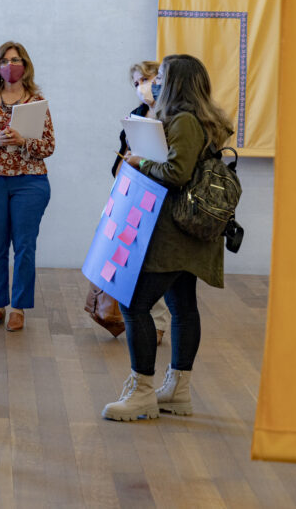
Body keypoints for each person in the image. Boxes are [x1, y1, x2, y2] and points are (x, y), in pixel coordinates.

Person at [102, 54, 231, 422]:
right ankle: (177, 390)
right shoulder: (185, 118)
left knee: (134, 303)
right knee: (181, 306)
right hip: (186, 232)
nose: (155, 81)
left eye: (162, 76)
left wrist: (139, 161)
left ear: (177, 83)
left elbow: (176, 172)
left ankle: (142, 390)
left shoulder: (185, 121)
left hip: (177, 234)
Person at [0, 41, 55, 332]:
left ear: (25, 65)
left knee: (25, 246)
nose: (10, 65)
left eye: (15, 60)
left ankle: (18, 308)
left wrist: (23, 141)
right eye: (4, 60)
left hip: (29, 182)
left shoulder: (37, 101)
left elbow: (49, 145)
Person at [112, 60, 171, 345]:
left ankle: (158, 323)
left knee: (156, 261)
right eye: (136, 83)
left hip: (161, 193)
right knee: (133, 257)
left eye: (146, 79)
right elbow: (124, 153)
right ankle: (134, 318)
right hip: (133, 191)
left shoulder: (173, 114)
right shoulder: (135, 114)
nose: (142, 87)